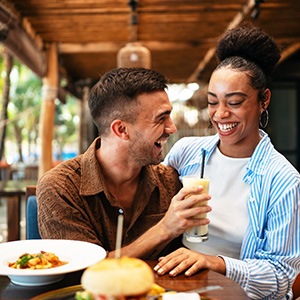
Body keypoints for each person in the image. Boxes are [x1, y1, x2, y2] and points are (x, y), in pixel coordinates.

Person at [153, 25, 300, 299]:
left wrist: (216, 263)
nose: (220, 114)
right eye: (212, 102)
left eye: (234, 102)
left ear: (263, 99)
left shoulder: (282, 180)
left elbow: (281, 277)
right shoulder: (187, 153)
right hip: (183, 291)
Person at [36, 67, 212, 260]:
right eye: (161, 118)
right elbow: (82, 268)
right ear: (121, 129)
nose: (172, 127)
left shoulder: (170, 182)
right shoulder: (60, 188)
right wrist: (164, 229)